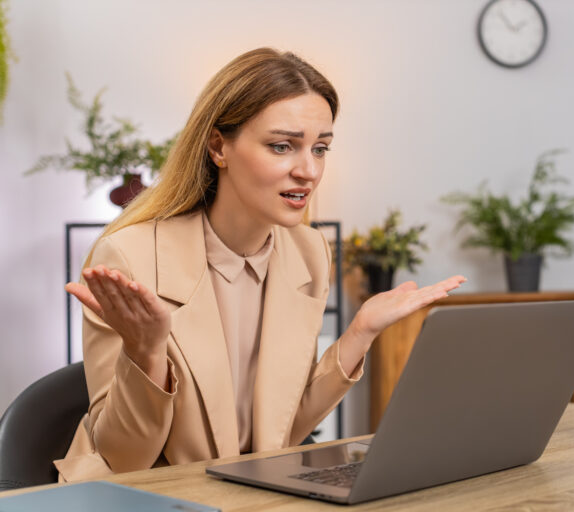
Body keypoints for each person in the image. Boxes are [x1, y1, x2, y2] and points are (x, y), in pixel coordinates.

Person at [54, 48, 465, 482]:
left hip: (250, 490)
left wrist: (360, 333)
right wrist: (146, 353)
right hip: (146, 494)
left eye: (320, 148)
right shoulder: (127, 256)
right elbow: (124, 459)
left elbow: (282, 432)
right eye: (282, 146)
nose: (308, 170)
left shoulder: (308, 252)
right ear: (219, 147)